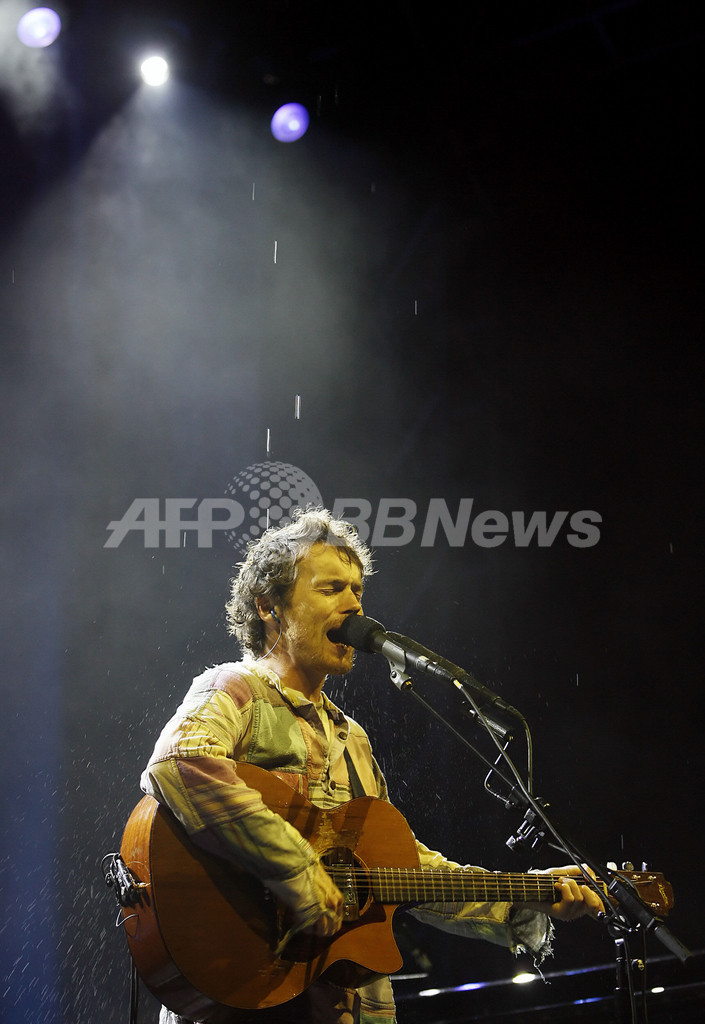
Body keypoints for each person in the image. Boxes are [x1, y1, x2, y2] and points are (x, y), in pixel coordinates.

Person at [142, 507, 603, 1024]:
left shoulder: (353, 738)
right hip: (245, 993)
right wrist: (294, 867)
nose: (354, 604)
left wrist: (526, 896)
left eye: (357, 590)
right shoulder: (234, 688)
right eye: (331, 588)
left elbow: (403, 871)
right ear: (269, 606)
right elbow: (180, 761)